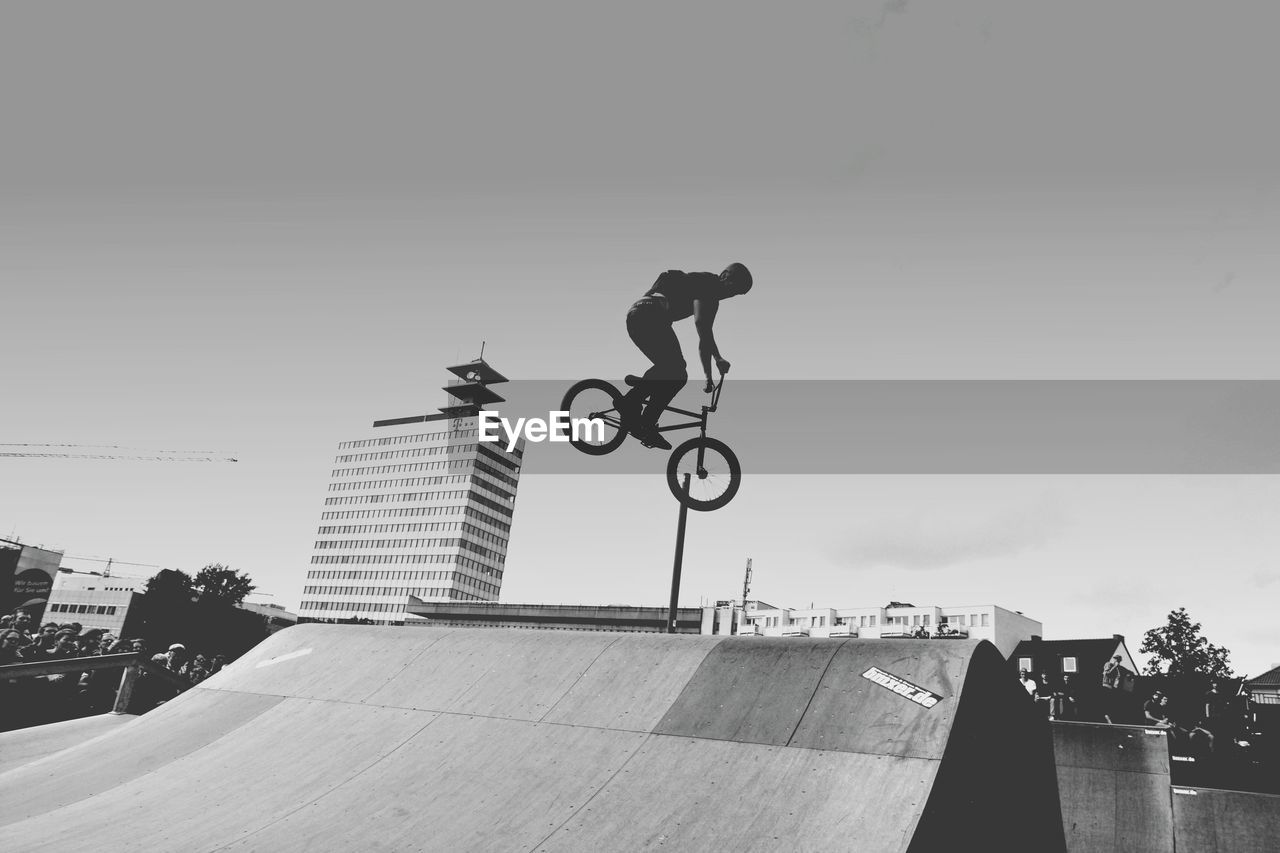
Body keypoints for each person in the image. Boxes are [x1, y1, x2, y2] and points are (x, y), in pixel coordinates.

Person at [617, 263, 753, 449]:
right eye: (733, 288)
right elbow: (702, 327)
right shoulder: (709, 285)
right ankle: (636, 409)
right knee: (675, 370)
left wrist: (708, 376)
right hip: (649, 315)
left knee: (673, 371)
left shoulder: (712, 297)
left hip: (641, 316)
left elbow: (704, 337)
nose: (731, 294)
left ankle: (640, 410)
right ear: (724, 275)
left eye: (736, 294)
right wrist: (718, 358)